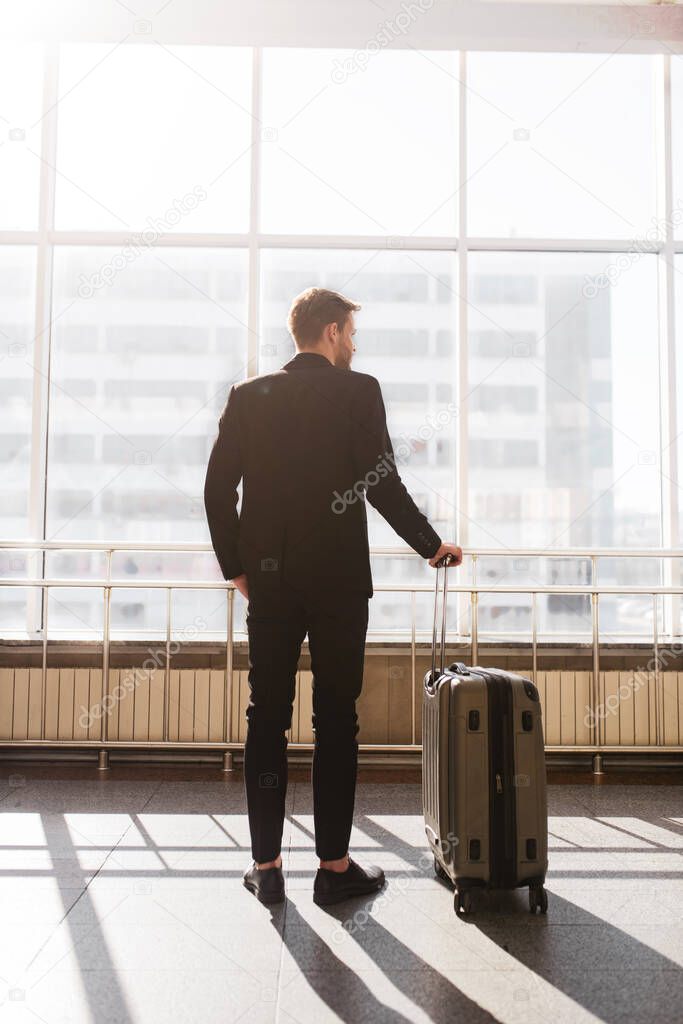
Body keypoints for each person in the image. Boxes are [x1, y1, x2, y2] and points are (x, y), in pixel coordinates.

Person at [204, 287, 462, 906]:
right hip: (340, 583)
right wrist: (430, 545)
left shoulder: (249, 397)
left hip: (270, 580)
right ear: (329, 332)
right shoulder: (358, 391)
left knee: (265, 717)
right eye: (349, 332)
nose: (353, 343)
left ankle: (266, 866)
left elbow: (217, 489)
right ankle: (333, 866)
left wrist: (238, 569)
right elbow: (381, 482)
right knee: (336, 721)